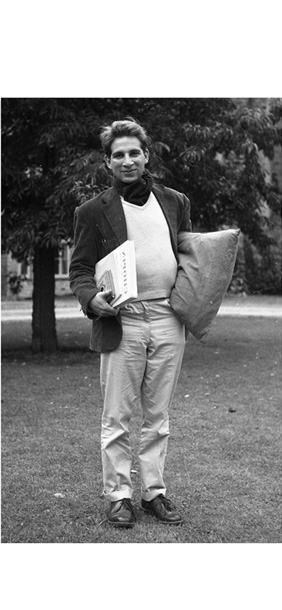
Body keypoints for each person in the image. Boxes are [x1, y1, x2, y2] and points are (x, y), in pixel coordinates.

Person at [69, 119, 192, 528]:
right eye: (118, 154)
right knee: (117, 416)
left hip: (168, 318)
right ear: (107, 162)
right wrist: (92, 299)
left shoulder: (175, 201)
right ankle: (120, 495)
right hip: (124, 320)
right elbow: (81, 270)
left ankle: (154, 492)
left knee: (158, 414)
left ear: (146, 156)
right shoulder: (91, 212)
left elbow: (189, 259)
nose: (127, 160)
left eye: (134, 153)